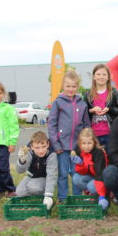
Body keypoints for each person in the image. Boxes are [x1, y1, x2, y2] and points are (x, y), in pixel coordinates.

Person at [48, 70, 90, 202]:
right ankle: (62, 197)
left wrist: (84, 144)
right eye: (68, 86)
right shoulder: (58, 103)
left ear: (77, 87)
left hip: (77, 148)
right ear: (63, 86)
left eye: (74, 86)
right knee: (62, 173)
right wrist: (56, 143)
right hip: (62, 146)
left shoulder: (82, 104)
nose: (71, 89)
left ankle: (77, 198)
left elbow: (86, 125)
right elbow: (52, 124)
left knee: (77, 172)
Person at [83, 64, 118, 148]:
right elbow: (82, 114)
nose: (101, 77)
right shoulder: (87, 94)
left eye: (104, 74)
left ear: (108, 77)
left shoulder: (113, 92)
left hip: (111, 133)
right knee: (97, 160)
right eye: (98, 74)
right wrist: (92, 110)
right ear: (94, 77)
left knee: (111, 159)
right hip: (93, 135)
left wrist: (109, 109)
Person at [16, 131, 57, 209]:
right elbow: (20, 171)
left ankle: (43, 194)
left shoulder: (51, 154)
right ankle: (35, 196)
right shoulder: (28, 152)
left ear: (48, 144)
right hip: (31, 176)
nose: (41, 151)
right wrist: (22, 160)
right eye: (37, 147)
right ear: (32, 147)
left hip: (45, 178)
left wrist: (49, 195)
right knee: (19, 192)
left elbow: (51, 175)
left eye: (43, 146)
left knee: (33, 187)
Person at [71, 128, 109, 210]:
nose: (86, 146)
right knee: (76, 178)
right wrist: (80, 163)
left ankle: (103, 196)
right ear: (80, 144)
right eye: (83, 143)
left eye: (89, 143)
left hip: (102, 179)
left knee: (91, 186)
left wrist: (102, 195)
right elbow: (83, 172)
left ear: (94, 142)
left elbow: (99, 174)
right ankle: (92, 195)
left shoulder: (98, 153)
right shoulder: (80, 151)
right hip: (92, 177)